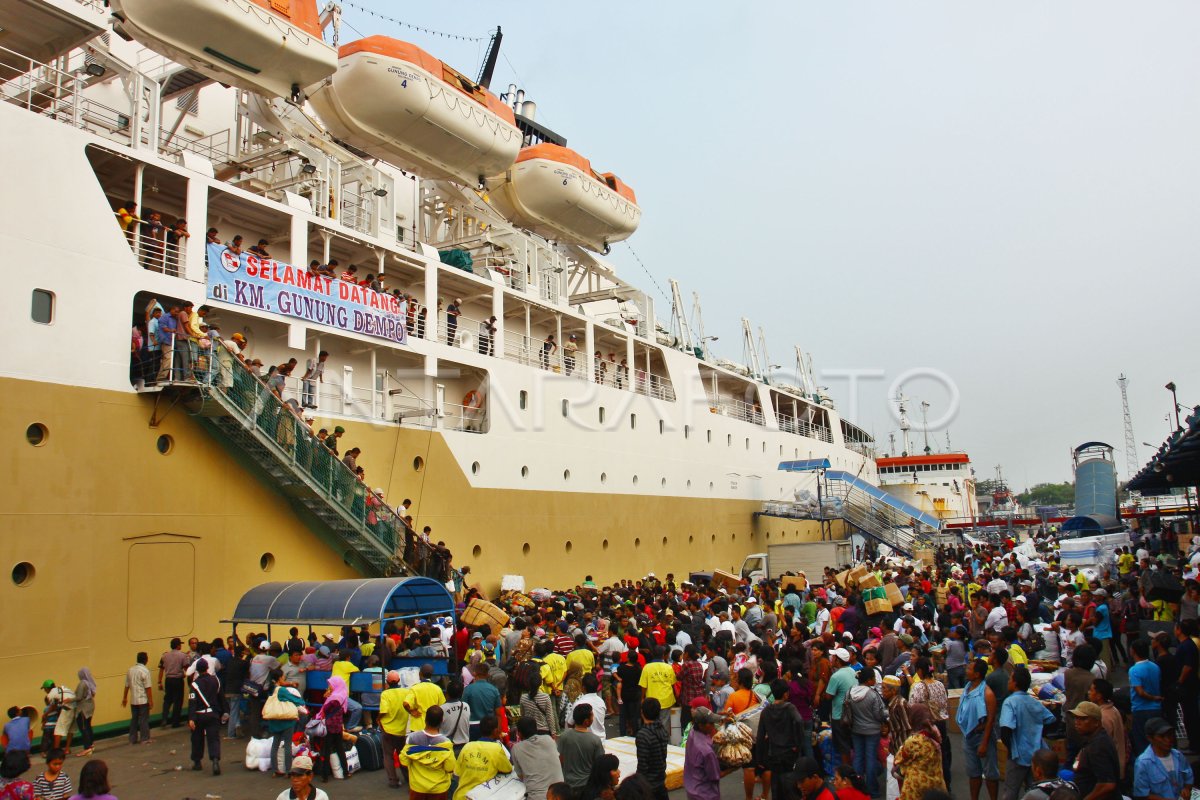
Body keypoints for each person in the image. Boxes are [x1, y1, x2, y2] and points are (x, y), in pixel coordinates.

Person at [998, 667, 1056, 800]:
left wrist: (1012, 750)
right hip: (1036, 754)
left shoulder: (1010, 702)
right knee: (1035, 790)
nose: (1008, 682)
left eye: (1010, 679)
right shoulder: (1033, 701)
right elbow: (1051, 720)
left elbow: (1005, 729)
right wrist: (1038, 732)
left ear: (1015, 683)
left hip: (1018, 754)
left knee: (1011, 791)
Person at [957, 658, 1000, 800]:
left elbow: (990, 721)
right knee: (973, 772)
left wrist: (984, 743)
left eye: (969, 669)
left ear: (977, 674)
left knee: (990, 773)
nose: (966, 670)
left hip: (983, 737)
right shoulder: (968, 688)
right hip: (969, 736)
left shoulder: (987, 694)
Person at [759, 678, 805, 800]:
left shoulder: (766, 711)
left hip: (773, 754)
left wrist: (760, 758)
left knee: (776, 787)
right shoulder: (790, 708)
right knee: (791, 787)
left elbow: (760, 736)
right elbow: (799, 721)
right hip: (790, 753)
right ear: (785, 694)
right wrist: (798, 744)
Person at [399, 705, 456, 799]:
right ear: (441, 721)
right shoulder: (446, 743)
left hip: (417, 787)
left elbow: (404, 761)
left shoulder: (412, 738)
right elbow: (450, 767)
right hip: (439, 788)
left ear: (425, 719)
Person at [1068, 701, 1119, 800]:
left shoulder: (1098, 746)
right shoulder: (1095, 740)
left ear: (1096, 722)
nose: (1077, 722)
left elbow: (1107, 785)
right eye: (1076, 718)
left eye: (1083, 719)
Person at [894, 703, 946, 800]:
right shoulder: (934, 733)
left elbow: (898, 759)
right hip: (936, 784)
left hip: (917, 786)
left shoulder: (914, 741)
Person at [1133, 717, 1193, 800]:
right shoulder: (1143, 763)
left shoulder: (1178, 756)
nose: (1168, 740)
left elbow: (1188, 778)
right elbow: (1142, 795)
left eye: (1170, 735)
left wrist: (1186, 789)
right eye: (1162, 736)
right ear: (1150, 738)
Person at [453, 714, 512, 800]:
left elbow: (456, 773)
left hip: (461, 796)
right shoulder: (496, 748)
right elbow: (508, 769)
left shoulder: (467, 746)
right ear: (496, 731)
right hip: (482, 796)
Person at [187, 658, 225, 775]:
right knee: (213, 738)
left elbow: (192, 702)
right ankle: (215, 761)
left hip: (199, 716)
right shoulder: (216, 681)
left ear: (197, 670)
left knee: (197, 739)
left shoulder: (194, 685)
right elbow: (221, 699)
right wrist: (224, 712)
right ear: (207, 668)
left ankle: (197, 762)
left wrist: (191, 718)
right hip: (213, 714)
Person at [513, 716, 564, 800]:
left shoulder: (516, 748)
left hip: (537, 797)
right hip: (560, 794)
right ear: (536, 729)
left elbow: (521, 776)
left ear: (519, 733)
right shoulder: (549, 739)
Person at [1128, 639, 1163, 758]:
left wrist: (1153, 697)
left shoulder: (1134, 670)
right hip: (1156, 709)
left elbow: (1140, 692)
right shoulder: (1155, 666)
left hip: (1141, 709)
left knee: (1142, 742)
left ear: (1133, 651)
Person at [1087, 680, 1126, 783]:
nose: (1088, 692)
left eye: (1091, 690)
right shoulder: (1112, 709)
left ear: (1099, 695)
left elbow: (1101, 745)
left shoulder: (1103, 717)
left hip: (1110, 767)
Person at [559, 704, 605, 791]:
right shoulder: (595, 740)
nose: (593, 717)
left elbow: (561, 759)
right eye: (592, 715)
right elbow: (599, 763)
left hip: (568, 784)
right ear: (586, 721)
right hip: (587, 785)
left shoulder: (564, 736)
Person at [266, 684, 306, 778]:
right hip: (287, 722)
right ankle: (288, 771)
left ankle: (275, 770)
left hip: (274, 721)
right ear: (280, 678)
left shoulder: (274, 691)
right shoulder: (282, 690)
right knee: (288, 745)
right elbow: (296, 700)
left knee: (275, 744)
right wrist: (301, 702)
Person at [316, 676, 349, 783]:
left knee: (326, 750)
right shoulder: (343, 695)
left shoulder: (334, 698)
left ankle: (325, 775)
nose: (329, 686)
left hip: (329, 726)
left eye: (331, 684)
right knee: (340, 749)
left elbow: (325, 709)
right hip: (338, 726)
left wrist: (326, 698)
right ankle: (346, 772)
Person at [683, 707, 721, 800]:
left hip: (691, 789)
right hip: (705, 794)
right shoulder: (707, 752)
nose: (713, 725)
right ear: (700, 725)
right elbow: (715, 776)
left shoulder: (692, 732)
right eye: (711, 723)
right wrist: (734, 767)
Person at [635, 698, 670, 800]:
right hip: (660, 780)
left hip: (649, 785)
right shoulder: (662, 730)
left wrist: (638, 783)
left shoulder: (643, 734)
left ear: (642, 712)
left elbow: (643, 765)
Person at [121, 652, 153, 745]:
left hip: (133, 700)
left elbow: (126, 686)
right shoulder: (145, 671)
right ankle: (144, 738)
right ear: (146, 660)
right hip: (143, 699)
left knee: (134, 719)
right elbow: (148, 688)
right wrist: (150, 701)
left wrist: (124, 698)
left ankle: (132, 739)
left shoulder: (130, 670)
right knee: (144, 719)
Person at [158, 637, 188, 728]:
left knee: (167, 700)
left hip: (168, 680)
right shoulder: (183, 656)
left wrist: (159, 681)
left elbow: (161, 669)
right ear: (178, 646)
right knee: (178, 701)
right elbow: (186, 668)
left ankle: (164, 719)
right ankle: (175, 722)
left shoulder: (164, 656)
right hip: (178, 680)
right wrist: (185, 675)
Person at [72, 668, 97, 757]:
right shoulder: (90, 683)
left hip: (83, 708)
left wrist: (69, 699)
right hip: (90, 706)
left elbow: (78, 697)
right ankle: (91, 744)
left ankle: (87, 748)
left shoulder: (82, 683)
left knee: (83, 727)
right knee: (88, 726)